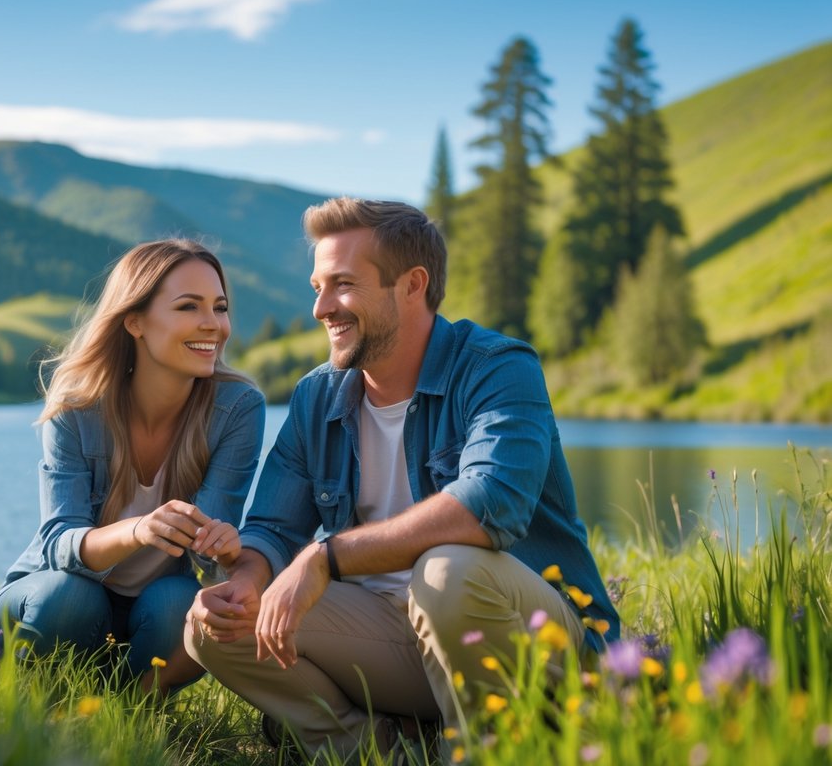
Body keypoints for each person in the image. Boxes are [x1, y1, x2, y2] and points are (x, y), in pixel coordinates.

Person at [186, 198, 619, 756]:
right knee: (214, 623)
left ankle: (493, 746)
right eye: (317, 286)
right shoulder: (317, 397)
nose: (321, 308)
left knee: (447, 571)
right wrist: (246, 580)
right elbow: (271, 526)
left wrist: (326, 558)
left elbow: (490, 503)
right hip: (397, 638)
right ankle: (379, 749)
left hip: (537, 640)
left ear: (412, 284)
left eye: (342, 284)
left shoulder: (498, 367)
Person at [0, 238, 265, 694]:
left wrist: (225, 549)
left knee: (183, 604)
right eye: (189, 307)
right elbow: (59, 542)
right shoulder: (76, 408)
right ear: (135, 321)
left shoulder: (238, 408)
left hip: (147, 619)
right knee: (72, 598)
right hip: (48, 606)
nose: (213, 325)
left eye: (220, 307)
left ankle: (122, 715)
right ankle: (34, 704)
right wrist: (138, 530)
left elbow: (207, 552)